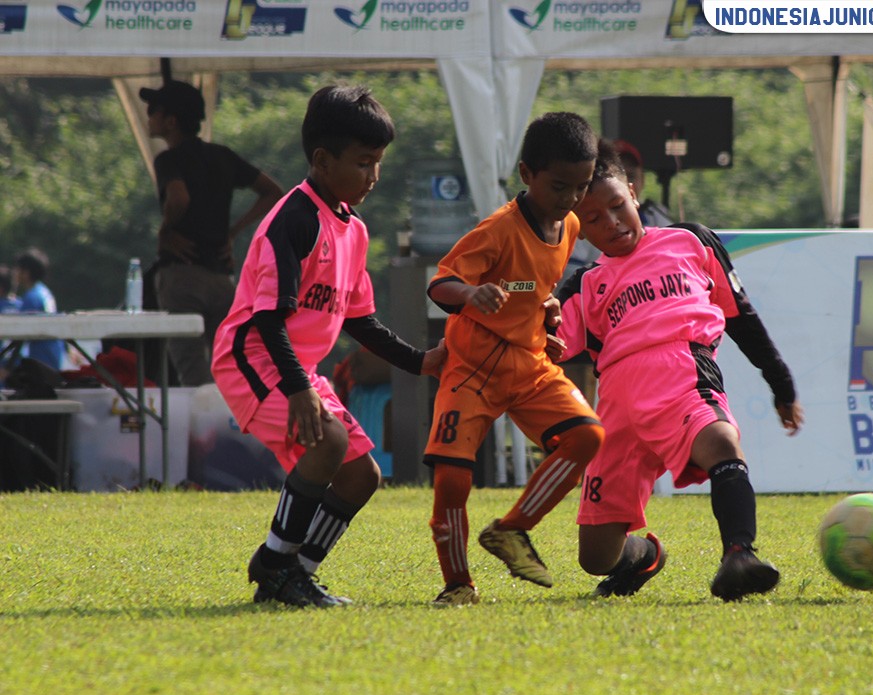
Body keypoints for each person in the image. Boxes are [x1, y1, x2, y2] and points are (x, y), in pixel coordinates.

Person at [211, 85, 446, 608]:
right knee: (329, 443)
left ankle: (295, 572)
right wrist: (299, 391)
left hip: (298, 367)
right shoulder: (293, 220)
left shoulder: (354, 231)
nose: (374, 175)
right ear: (322, 160)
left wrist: (421, 361)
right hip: (254, 359)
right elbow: (269, 319)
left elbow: (362, 322)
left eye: (378, 162)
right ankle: (274, 566)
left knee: (363, 474)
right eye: (364, 163)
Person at [556, 139, 803, 601]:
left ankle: (739, 555)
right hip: (616, 408)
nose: (610, 222)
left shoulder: (689, 240)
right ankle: (643, 558)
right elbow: (547, 345)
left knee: (721, 440)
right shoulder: (583, 284)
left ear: (633, 193)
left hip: (682, 373)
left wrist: (779, 380)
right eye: (593, 218)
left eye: (617, 206)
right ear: (579, 229)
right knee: (595, 556)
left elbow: (740, 317)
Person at [424, 112, 605, 606]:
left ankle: (511, 529)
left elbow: (528, 285)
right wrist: (471, 294)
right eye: (559, 186)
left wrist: (547, 313)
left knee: (587, 435)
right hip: (473, 370)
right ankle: (458, 585)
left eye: (581, 187)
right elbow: (440, 283)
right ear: (526, 174)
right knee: (453, 477)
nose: (570, 200)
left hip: (528, 364)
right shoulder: (498, 228)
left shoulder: (567, 226)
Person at [141, 79, 283, 387]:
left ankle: (203, 432)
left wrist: (165, 231)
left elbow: (178, 197)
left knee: (191, 366)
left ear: (171, 121)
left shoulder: (168, 159)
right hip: (221, 277)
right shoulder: (223, 155)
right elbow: (272, 191)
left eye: (154, 110)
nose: (149, 116)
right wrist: (233, 233)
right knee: (231, 365)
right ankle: (231, 426)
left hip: (181, 276)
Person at [13, 248, 65, 370]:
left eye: (18, 268)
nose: (15, 272)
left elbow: (19, 336)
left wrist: (8, 367)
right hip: (53, 354)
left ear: (26, 272)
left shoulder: (32, 297)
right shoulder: (44, 292)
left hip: (40, 358)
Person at [614, 139, 674, 227]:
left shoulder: (656, 216)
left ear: (642, 179)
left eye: (631, 176)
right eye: (617, 176)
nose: (626, 184)